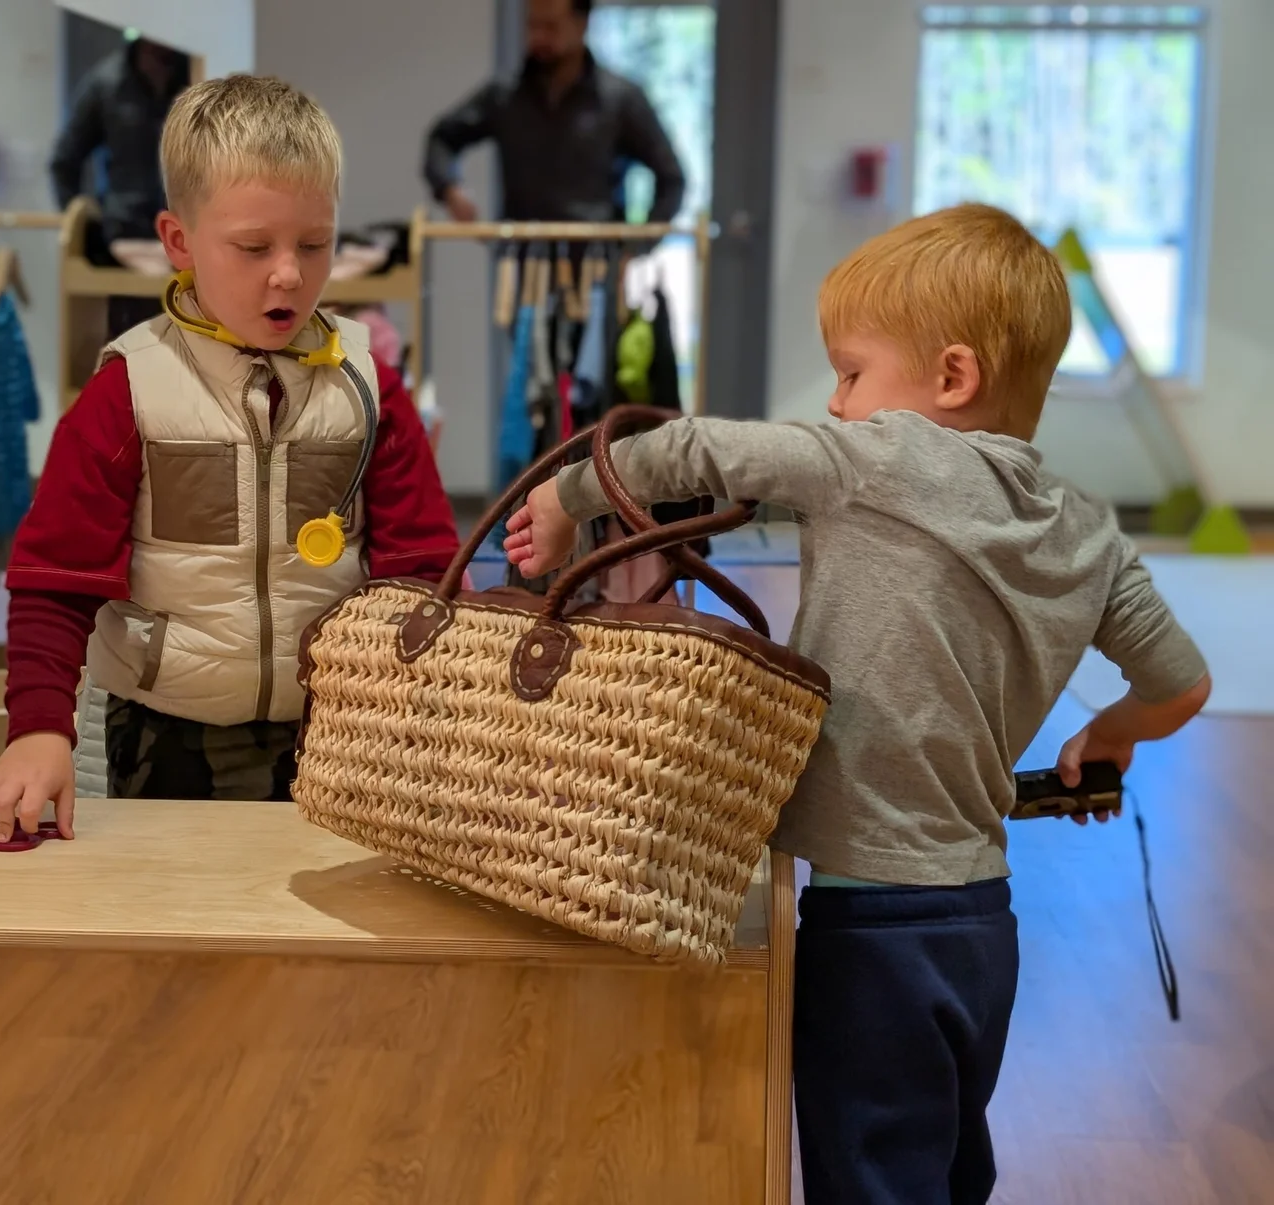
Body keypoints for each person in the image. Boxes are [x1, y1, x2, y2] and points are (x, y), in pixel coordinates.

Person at [504, 202, 1212, 1205]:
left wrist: (560, 497)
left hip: (860, 922)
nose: (836, 406)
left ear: (950, 379)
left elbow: (693, 450)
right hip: (981, 924)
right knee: (943, 1164)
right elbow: (1180, 682)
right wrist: (1109, 732)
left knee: (866, 1175)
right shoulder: (1089, 536)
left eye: (849, 372)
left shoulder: (877, 458)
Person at [0, 75, 460, 842]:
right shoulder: (128, 390)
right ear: (178, 242)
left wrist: (426, 709)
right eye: (253, 247)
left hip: (333, 729)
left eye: (314, 243)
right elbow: (50, 581)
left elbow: (424, 566)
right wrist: (40, 727)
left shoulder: (370, 388)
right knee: (178, 935)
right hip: (168, 732)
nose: (289, 274)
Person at [423, 0, 685, 224]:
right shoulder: (505, 95)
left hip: (596, 263)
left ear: (581, 25)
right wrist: (450, 189)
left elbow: (671, 179)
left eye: (550, 27)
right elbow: (443, 137)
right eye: (532, 26)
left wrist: (636, 249)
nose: (538, 38)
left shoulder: (621, 99)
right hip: (521, 261)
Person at [49, 33, 191, 332]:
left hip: (186, 236)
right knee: (130, 340)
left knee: (186, 336)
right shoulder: (105, 83)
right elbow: (65, 161)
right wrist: (87, 231)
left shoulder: (196, 74)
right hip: (125, 238)